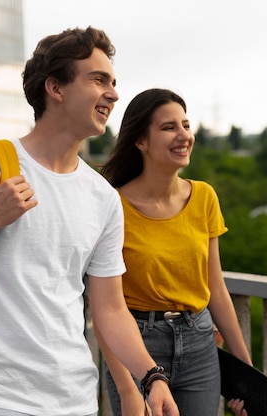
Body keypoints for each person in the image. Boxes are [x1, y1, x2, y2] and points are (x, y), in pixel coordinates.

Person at [0, 28, 179, 416]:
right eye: (98, 80)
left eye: (114, 82)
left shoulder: (102, 197)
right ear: (56, 88)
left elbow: (111, 309)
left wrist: (151, 378)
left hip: (74, 400)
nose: (114, 94)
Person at [98, 88, 252, 416]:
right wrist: (127, 389)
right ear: (140, 141)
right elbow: (104, 308)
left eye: (185, 125)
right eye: (169, 128)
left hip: (199, 343)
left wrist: (247, 373)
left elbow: (215, 289)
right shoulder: (112, 206)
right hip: (138, 345)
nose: (183, 135)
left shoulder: (204, 197)